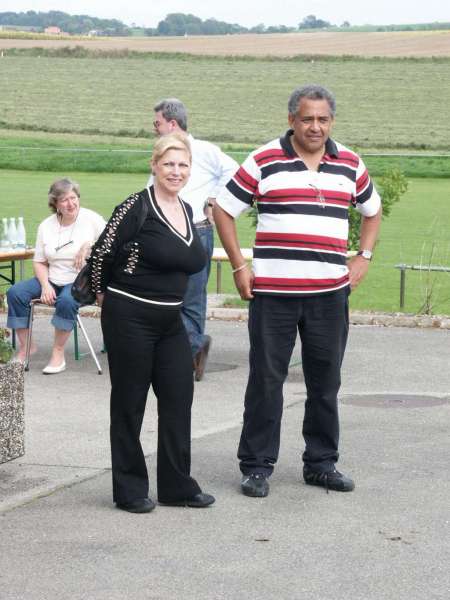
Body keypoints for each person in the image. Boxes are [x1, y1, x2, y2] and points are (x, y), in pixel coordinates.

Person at [214, 84, 382, 498]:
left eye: (323, 119)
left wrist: (363, 256)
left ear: (332, 122)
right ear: (291, 120)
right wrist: (239, 266)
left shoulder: (350, 164)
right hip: (273, 295)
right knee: (267, 380)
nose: (315, 126)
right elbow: (222, 208)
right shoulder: (264, 159)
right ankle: (256, 466)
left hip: (329, 295)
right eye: (307, 118)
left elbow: (372, 210)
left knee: (325, 382)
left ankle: (321, 464)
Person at [90, 133, 215, 513]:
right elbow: (100, 256)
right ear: (154, 166)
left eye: (182, 165)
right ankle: (129, 489)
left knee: (179, 397)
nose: (176, 172)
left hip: (170, 319)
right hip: (130, 316)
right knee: (130, 403)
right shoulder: (135, 207)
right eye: (169, 164)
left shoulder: (188, 208)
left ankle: (177, 486)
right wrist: (102, 295)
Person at [151, 98, 238, 381]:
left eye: (157, 124)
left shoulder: (203, 150)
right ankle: (193, 346)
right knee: (166, 295)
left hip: (197, 230)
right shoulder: (163, 154)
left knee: (191, 297)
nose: (155, 129)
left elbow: (234, 172)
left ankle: (186, 356)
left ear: (172, 124)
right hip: (165, 231)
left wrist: (214, 199)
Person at [7, 178, 105, 374]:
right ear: (55, 204)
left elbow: (112, 241)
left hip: (80, 281)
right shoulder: (46, 226)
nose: (71, 203)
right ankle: (27, 348)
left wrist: (88, 246)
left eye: (74, 197)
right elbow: (40, 261)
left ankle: (58, 353)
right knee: (15, 292)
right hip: (52, 278)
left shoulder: (92, 219)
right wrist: (45, 285)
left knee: (67, 301)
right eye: (64, 200)